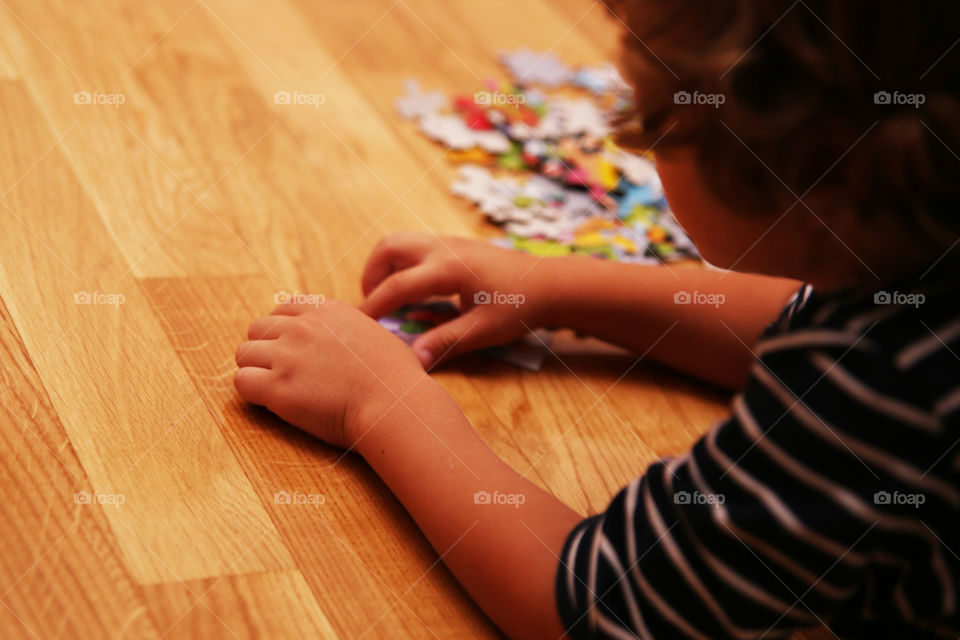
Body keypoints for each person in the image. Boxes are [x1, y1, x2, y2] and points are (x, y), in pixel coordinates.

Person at [234, 1, 960, 637]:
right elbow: (795, 317)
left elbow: (598, 604)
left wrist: (381, 402)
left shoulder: (877, 386)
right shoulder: (916, 265)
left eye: (650, 116)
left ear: (801, 163)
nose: (625, 138)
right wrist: (559, 286)